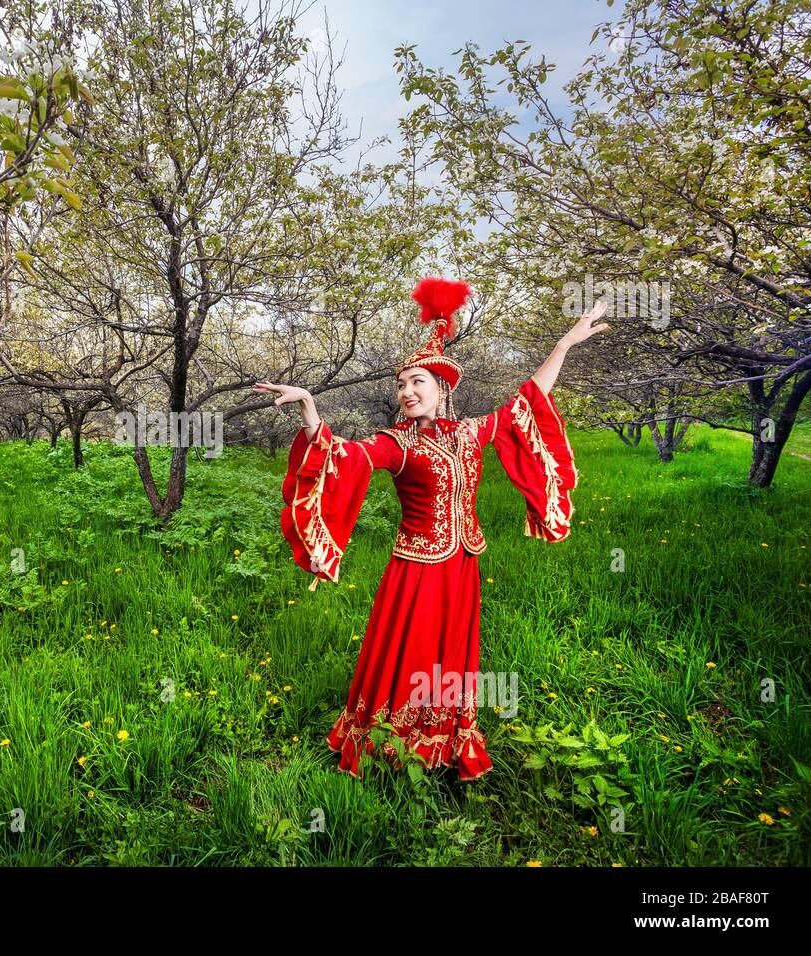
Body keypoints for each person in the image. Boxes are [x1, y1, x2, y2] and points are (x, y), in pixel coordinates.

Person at [252, 278, 609, 781]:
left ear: (442, 390)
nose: (406, 392)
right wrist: (310, 408)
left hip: (462, 564)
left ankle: (443, 737)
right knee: (409, 648)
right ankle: (389, 739)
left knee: (450, 653)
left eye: (417, 382)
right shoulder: (396, 444)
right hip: (416, 570)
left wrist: (563, 345)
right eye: (402, 385)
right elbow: (342, 455)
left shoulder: (469, 432)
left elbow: (526, 403)